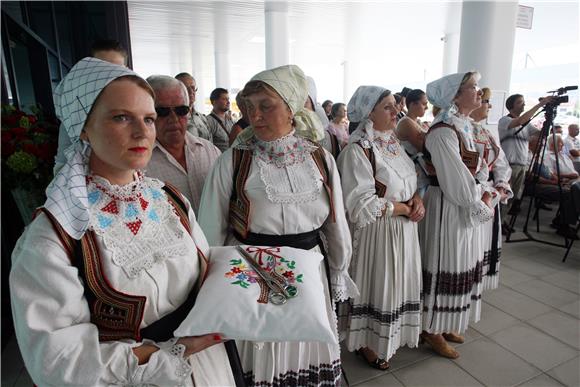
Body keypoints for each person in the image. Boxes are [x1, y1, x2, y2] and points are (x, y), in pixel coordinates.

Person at [10, 57, 239, 386]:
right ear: (83, 127)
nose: (141, 131)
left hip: (211, 369)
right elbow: (59, 363)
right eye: (121, 117)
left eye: (148, 118)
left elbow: (206, 274)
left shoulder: (169, 199)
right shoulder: (54, 237)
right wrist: (169, 353)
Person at [198, 64, 358, 386]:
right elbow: (211, 230)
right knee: (265, 352)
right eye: (249, 107)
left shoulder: (319, 158)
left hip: (311, 269)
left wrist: (339, 268)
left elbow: (334, 223)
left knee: (305, 345)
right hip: (255, 271)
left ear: (291, 108)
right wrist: (213, 288)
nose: (254, 116)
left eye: (265, 105)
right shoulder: (234, 160)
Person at [337, 86, 424, 370]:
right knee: (378, 284)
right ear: (368, 112)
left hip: (403, 230)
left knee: (396, 284)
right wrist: (402, 208)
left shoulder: (393, 143)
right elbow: (360, 205)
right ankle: (365, 340)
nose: (396, 111)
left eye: (394, 105)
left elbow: (409, 181)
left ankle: (388, 335)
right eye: (387, 106)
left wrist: (417, 200)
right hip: (379, 233)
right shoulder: (357, 150)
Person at [420, 71, 496, 359]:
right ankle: (432, 328)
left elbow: (480, 169)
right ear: (454, 95)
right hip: (450, 207)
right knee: (445, 262)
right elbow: (457, 182)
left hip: (463, 205)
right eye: (473, 88)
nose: (479, 93)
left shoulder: (462, 126)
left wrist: (482, 188)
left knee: (462, 261)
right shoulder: (442, 132)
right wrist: (480, 198)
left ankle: (446, 319)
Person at [145, 75, 221, 216]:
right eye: (162, 112)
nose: (173, 119)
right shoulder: (139, 165)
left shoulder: (210, 152)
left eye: (181, 110)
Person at [53, 39, 128, 174]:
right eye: (101, 70)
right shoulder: (75, 116)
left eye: (116, 70)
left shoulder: (138, 109)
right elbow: (62, 167)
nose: (109, 77)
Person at [470, 87, 513, 290]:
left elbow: (502, 162)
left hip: (491, 193)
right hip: (474, 195)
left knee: (486, 241)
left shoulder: (486, 131)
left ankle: (478, 281)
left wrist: (502, 183)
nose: (489, 105)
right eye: (486, 101)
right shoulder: (460, 130)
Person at [498, 93, 555, 230]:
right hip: (510, 166)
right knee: (504, 197)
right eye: (520, 102)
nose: (523, 104)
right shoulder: (504, 121)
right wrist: (540, 105)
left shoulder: (526, 125)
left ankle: (503, 221)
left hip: (522, 166)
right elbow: (519, 121)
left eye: (523, 102)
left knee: (514, 198)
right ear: (511, 106)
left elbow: (541, 134)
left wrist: (548, 120)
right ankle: (498, 224)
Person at [396, 89, 430, 196]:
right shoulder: (406, 123)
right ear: (413, 104)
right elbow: (425, 148)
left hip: (424, 172)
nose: (427, 107)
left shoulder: (418, 122)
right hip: (417, 174)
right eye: (424, 104)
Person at [175, 72, 213, 142]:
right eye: (186, 88)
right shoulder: (173, 118)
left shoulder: (202, 118)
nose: (191, 92)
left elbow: (210, 142)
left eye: (193, 88)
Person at [207, 87, 234, 152]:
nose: (228, 102)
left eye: (228, 99)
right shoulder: (209, 121)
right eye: (224, 99)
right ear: (214, 102)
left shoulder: (230, 119)